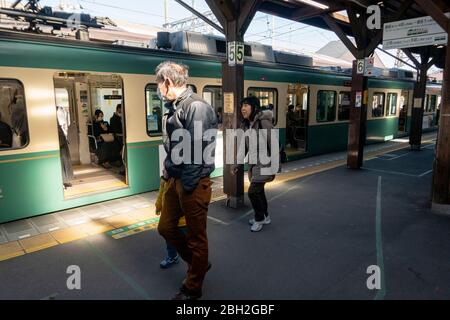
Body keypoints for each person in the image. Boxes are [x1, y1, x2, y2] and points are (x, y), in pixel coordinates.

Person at [156, 61, 217, 300]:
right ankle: (199, 264)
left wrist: (188, 186)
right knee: (166, 228)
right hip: (176, 180)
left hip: (192, 183)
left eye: (159, 85)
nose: (158, 90)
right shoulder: (176, 106)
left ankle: (192, 289)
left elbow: (198, 150)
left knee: (195, 238)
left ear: (168, 83)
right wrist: (169, 174)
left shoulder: (197, 107)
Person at [235, 96, 276, 232]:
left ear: (254, 107)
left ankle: (259, 219)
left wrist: (276, 166)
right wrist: (237, 164)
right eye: (242, 106)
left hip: (265, 163)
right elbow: (244, 147)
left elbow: (273, 143)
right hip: (255, 164)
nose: (243, 108)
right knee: (259, 191)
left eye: (246, 105)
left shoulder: (263, 122)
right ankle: (266, 216)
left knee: (253, 192)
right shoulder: (246, 124)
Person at [155, 171, 188, 269]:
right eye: (164, 169)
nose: (164, 171)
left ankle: (191, 264)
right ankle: (172, 256)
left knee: (186, 243)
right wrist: (158, 205)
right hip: (169, 218)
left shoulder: (180, 182)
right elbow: (161, 194)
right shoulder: (164, 181)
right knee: (169, 240)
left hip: (183, 221)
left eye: (166, 169)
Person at [57, 113, 74, 188]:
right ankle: (62, 181)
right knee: (62, 162)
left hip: (61, 141)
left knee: (64, 162)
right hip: (59, 142)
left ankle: (64, 180)